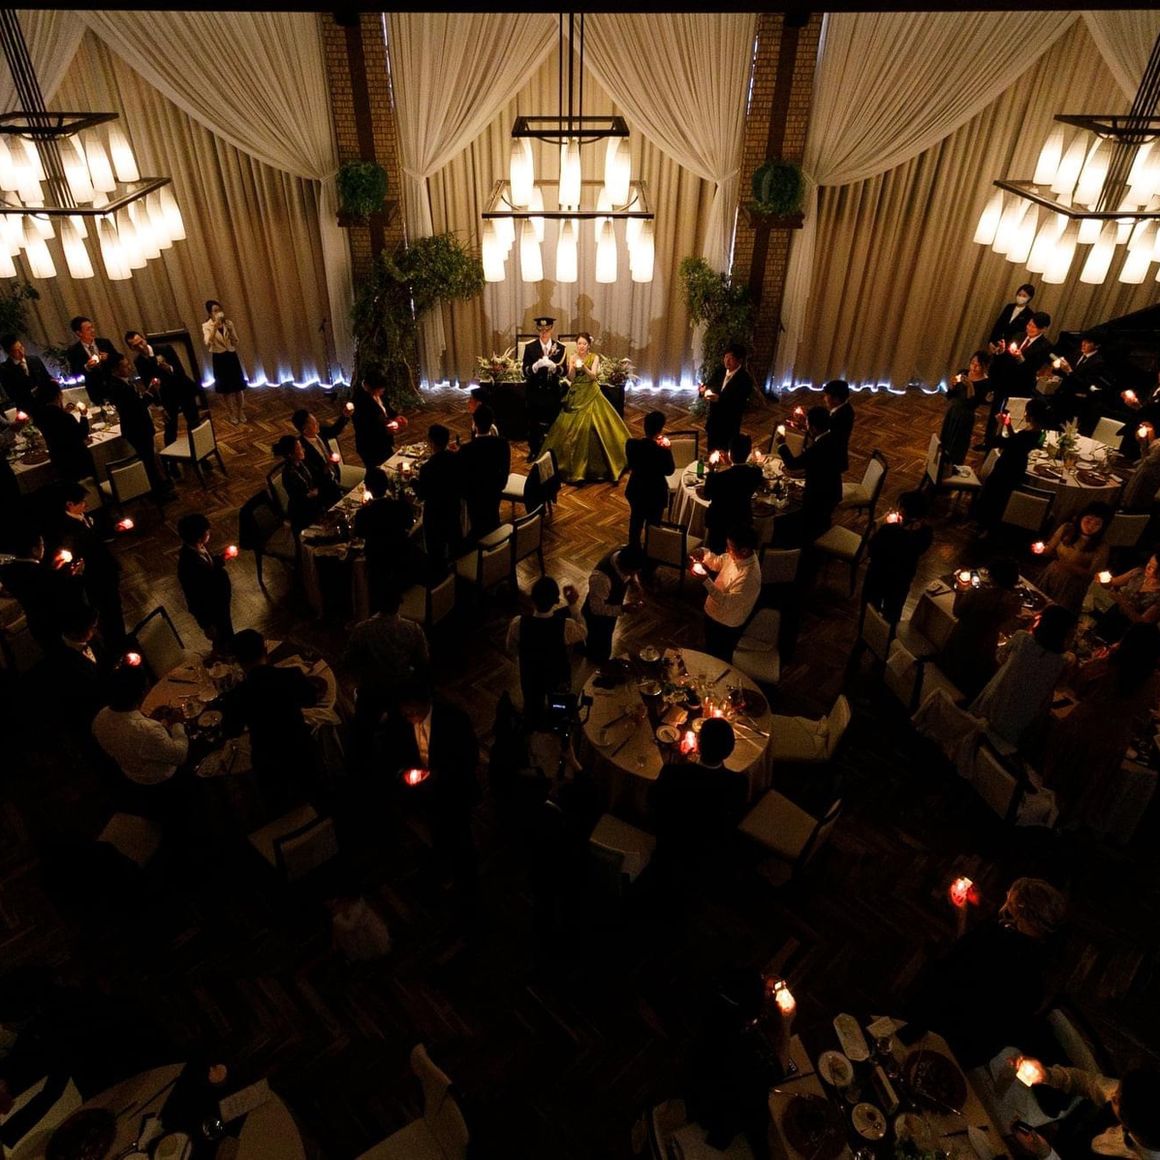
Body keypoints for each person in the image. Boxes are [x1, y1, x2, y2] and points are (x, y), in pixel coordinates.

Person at [905, 877, 1067, 1068]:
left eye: (1010, 897)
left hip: (936, 1030)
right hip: (970, 1055)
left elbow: (953, 969)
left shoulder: (992, 939)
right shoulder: (1041, 971)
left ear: (1020, 907)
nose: (1006, 897)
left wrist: (962, 914)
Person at [1043, 623, 1160, 829]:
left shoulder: (1103, 667)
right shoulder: (1152, 682)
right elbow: (1143, 713)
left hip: (1081, 728)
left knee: (1059, 779)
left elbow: (1076, 686)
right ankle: (1064, 826)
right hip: (1112, 742)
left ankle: (1041, 816)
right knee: (1086, 788)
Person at [376, 684, 481, 896]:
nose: (409, 716)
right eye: (405, 712)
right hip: (426, 795)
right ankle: (444, 867)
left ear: (425, 703)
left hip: (454, 791)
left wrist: (439, 775)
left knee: (460, 835)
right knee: (437, 832)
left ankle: (468, 881)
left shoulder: (454, 720)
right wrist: (404, 773)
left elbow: (469, 758)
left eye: (412, 711)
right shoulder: (401, 721)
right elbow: (392, 752)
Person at [221, 630, 322, 809]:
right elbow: (311, 699)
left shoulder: (237, 695)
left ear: (237, 661)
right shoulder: (291, 675)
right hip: (303, 751)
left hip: (268, 762)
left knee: (280, 807)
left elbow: (231, 731)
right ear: (265, 650)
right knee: (316, 794)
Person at [341, 585, 431, 772]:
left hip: (371, 690)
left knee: (362, 733)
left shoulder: (362, 630)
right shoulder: (412, 629)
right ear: (399, 604)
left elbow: (348, 662)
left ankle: (362, 766)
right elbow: (423, 662)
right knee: (401, 730)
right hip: (401, 691)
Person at [653, 717, 747, 887]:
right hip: (712, 848)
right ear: (730, 750)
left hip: (673, 845)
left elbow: (655, 805)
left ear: (699, 744)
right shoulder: (738, 783)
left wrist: (679, 764)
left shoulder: (672, 773)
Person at [969, 605, 1075, 751]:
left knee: (975, 728)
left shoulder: (1022, 639)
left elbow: (1000, 657)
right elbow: (1060, 686)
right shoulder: (1064, 661)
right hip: (1021, 715)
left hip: (995, 701)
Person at [1007, 1061, 1160, 1160]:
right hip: (1069, 1138)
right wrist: (1048, 1075)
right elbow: (1089, 1083)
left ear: (1129, 1124)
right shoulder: (1139, 1095)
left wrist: (1046, 1154)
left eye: (1116, 1099)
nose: (1113, 1094)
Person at [91, 661, 189, 816]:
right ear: (143, 691)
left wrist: (151, 719)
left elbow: (128, 739)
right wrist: (178, 724)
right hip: (162, 782)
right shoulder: (147, 730)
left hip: (132, 777)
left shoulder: (100, 718)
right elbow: (180, 755)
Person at [540, 332, 629, 483]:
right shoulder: (572, 357)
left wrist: (584, 367)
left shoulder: (594, 357)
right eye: (579, 343)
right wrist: (573, 367)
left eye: (584, 344)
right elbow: (571, 377)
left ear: (589, 345)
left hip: (591, 391)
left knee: (597, 424)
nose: (581, 346)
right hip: (576, 391)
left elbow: (593, 376)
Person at [937, 555, 1023, 699]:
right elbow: (1008, 624)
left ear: (991, 575)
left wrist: (960, 590)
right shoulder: (1013, 602)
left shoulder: (978, 593)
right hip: (987, 642)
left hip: (963, 637)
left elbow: (957, 612)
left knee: (952, 667)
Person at [52, 481, 125, 646]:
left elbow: (97, 536)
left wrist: (115, 529)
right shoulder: (66, 529)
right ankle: (116, 643)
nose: (86, 504)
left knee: (115, 607)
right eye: (82, 502)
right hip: (95, 577)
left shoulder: (83, 516)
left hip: (106, 568)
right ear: (69, 504)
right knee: (108, 611)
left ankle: (119, 638)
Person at [506, 575, 587, 721]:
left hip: (530, 675)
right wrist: (573, 605)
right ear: (556, 601)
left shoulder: (518, 623)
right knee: (558, 709)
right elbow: (583, 632)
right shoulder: (566, 626)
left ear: (532, 598)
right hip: (557, 676)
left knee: (532, 707)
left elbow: (511, 648)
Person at [973, 397, 1050, 534]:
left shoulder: (1029, 434)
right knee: (999, 496)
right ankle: (986, 526)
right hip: (1016, 465)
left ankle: (986, 527)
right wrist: (1008, 425)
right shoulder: (1036, 431)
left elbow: (1001, 442)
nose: (1025, 414)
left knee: (994, 496)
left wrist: (1000, 425)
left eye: (1026, 412)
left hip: (1008, 467)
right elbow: (1015, 441)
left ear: (1031, 416)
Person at [0, 527, 81, 650]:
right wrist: (71, 575)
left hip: (36, 624)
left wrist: (54, 570)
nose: (44, 548)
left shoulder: (12, 569)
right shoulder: (37, 573)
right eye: (42, 545)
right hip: (52, 622)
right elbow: (51, 588)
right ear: (34, 550)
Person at [103, 355, 173, 497]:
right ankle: (158, 493)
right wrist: (151, 391)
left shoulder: (124, 382)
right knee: (148, 461)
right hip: (136, 429)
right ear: (115, 370)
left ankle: (160, 486)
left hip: (141, 426)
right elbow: (137, 408)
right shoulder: (117, 386)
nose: (130, 368)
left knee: (150, 459)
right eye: (125, 366)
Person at [862, 490, 934, 623]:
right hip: (902, 579)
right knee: (892, 613)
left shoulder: (889, 530)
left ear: (904, 511)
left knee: (870, 608)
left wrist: (882, 525)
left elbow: (871, 549)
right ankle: (888, 634)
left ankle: (867, 632)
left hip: (878, 575)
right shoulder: (926, 533)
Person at [694, 526, 762, 661]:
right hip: (712, 612)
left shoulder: (749, 578)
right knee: (709, 650)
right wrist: (703, 553)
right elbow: (719, 562)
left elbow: (726, 602)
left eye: (730, 548)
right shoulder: (737, 556)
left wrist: (705, 580)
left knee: (720, 658)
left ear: (744, 550)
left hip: (725, 623)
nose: (727, 550)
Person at [776, 405, 843, 543]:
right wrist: (806, 429)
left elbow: (792, 464)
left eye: (808, 425)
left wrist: (782, 444)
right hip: (833, 491)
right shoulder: (834, 437)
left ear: (814, 428)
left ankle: (808, 541)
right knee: (822, 518)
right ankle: (820, 530)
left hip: (819, 496)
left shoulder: (818, 449)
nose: (806, 427)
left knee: (792, 518)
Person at [125, 330, 201, 451]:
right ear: (131, 348)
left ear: (144, 339)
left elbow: (180, 371)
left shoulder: (164, 348)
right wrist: (160, 407)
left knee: (194, 424)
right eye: (136, 346)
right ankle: (171, 457)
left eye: (141, 342)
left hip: (183, 389)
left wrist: (168, 368)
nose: (141, 347)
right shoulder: (138, 361)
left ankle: (201, 453)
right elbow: (148, 385)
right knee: (170, 429)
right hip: (167, 396)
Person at [353, 466, 418, 606]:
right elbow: (410, 523)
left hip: (377, 563)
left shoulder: (363, 514)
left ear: (367, 488)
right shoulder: (400, 506)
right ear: (387, 485)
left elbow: (358, 534)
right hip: (402, 558)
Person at [1037, 502, 1112, 613]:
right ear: (1081, 517)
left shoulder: (1101, 546)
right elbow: (1049, 550)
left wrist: (1066, 565)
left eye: (1097, 524)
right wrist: (1040, 549)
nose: (1090, 526)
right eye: (1088, 520)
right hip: (1052, 573)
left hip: (1072, 585)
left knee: (1054, 612)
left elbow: (1092, 576)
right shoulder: (1066, 529)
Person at [176, 513, 234, 650]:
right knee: (220, 638)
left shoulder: (199, 547)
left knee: (226, 631)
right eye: (207, 532)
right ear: (199, 536)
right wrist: (206, 624)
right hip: (210, 608)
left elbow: (210, 566)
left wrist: (223, 557)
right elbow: (194, 597)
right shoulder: (188, 565)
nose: (209, 534)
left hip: (220, 603)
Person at [456, 403, 510, 541]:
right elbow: (505, 470)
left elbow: (462, 477)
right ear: (491, 423)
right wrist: (499, 486)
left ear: (474, 424)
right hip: (495, 490)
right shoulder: (502, 444)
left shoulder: (466, 449)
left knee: (477, 524)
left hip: (474, 496)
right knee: (493, 516)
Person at [582, 544, 644, 663]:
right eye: (631, 572)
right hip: (596, 619)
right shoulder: (601, 579)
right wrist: (623, 609)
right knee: (597, 652)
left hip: (611, 612)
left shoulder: (623, 552)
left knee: (606, 644)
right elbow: (596, 608)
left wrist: (635, 582)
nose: (633, 574)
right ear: (621, 565)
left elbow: (633, 572)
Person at [624, 410, 675, 551]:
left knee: (635, 521)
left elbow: (631, 463)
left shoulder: (631, 444)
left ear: (644, 426)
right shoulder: (661, 451)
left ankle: (633, 548)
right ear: (660, 429)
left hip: (636, 489)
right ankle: (650, 551)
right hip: (655, 493)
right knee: (653, 525)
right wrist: (668, 450)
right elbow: (669, 470)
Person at [703, 434, 762, 554]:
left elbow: (707, 495)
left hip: (719, 522)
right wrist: (730, 464)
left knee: (717, 555)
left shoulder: (719, 478)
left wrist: (711, 471)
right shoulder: (756, 473)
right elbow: (739, 475)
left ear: (729, 453)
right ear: (749, 453)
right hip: (741, 520)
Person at [414, 423, 461, 570]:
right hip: (453, 508)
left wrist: (413, 482)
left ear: (431, 442)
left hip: (435, 515)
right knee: (454, 545)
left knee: (436, 552)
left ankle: (439, 576)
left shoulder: (427, 468)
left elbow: (422, 494)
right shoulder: (456, 459)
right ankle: (456, 570)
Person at [522, 315, 567, 459]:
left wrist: (555, 367)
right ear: (537, 330)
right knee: (533, 423)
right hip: (535, 391)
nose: (544, 333)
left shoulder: (560, 348)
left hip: (552, 392)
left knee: (553, 423)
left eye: (547, 330)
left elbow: (564, 371)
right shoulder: (530, 347)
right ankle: (534, 450)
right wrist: (534, 367)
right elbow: (524, 372)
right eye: (541, 330)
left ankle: (552, 450)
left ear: (552, 329)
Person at [33, 381, 95, 483]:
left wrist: (64, 411)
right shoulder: (64, 417)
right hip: (76, 458)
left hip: (58, 458)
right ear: (58, 395)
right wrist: (83, 415)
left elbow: (57, 429)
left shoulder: (40, 416)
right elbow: (82, 433)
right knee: (88, 487)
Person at [1093, 552, 1160, 644]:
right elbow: (1112, 583)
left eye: (1152, 567)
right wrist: (1101, 578)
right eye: (1149, 563)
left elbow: (1143, 623)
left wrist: (1121, 601)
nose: (1147, 567)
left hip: (1127, 630)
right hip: (1113, 616)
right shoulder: (1138, 573)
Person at [701, 342, 754, 454]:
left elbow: (739, 403)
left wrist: (719, 399)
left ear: (739, 360)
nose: (727, 361)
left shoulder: (745, 379)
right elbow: (709, 384)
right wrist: (703, 390)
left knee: (725, 453)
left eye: (731, 358)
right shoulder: (720, 371)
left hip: (729, 424)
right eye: (726, 357)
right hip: (713, 422)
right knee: (711, 452)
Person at [940, 352, 991, 469]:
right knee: (945, 439)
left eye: (978, 365)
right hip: (953, 411)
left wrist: (970, 386)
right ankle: (940, 464)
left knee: (957, 444)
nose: (974, 367)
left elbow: (971, 404)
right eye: (972, 363)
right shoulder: (963, 373)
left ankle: (952, 467)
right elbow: (950, 396)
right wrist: (952, 385)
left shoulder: (986, 382)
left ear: (985, 366)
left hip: (965, 416)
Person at [292, 406, 349, 506]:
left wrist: (344, 416)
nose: (318, 424)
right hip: (324, 489)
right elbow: (315, 475)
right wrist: (328, 464)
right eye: (314, 423)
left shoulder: (320, 432)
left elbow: (334, 431)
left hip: (335, 477)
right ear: (305, 430)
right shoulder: (302, 449)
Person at [1052, 332, 1107, 434]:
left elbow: (1086, 384)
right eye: (1083, 341)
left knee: (1065, 430)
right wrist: (1058, 367)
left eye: (1088, 342)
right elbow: (1064, 372)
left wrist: (1069, 371)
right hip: (1062, 395)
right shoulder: (1077, 353)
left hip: (1076, 402)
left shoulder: (1098, 362)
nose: (1083, 344)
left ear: (1097, 345)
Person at [202, 299, 247, 424]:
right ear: (210, 313)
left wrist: (231, 330)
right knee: (225, 390)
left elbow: (236, 341)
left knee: (238, 387)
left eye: (219, 310)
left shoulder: (228, 323)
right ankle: (231, 413)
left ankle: (240, 411)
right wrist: (215, 328)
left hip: (231, 356)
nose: (218, 312)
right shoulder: (206, 326)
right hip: (219, 358)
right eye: (215, 311)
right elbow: (207, 343)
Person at [352, 370, 404, 469]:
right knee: (376, 471)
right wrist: (385, 430)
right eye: (380, 389)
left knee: (388, 466)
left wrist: (396, 417)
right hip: (370, 445)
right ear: (370, 387)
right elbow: (363, 427)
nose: (382, 391)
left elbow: (386, 408)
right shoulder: (359, 400)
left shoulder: (377, 391)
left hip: (384, 442)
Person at [273, 434, 323, 534]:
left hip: (313, 504)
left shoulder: (302, 463)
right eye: (299, 448)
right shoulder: (289, 475)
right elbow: (298, 498)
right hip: (302, 513)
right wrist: (310, 494)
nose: (303, 450)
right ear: (290, 454)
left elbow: (316, 475)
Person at [65, 316, 119, 405]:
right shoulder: (74, 351)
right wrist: (87, 367)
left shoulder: (104, 343)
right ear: (79, 333)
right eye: (88, 329)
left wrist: (108, 357)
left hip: (113, 384)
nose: (92, 330)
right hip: (95, 389)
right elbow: (74, 372)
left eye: (92, 327)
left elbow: (118, 358)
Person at [0, 336, 55, 413]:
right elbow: (12, 394)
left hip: (47, 402)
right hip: (27, 409)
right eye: (16, 351)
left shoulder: (35, 360)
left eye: (21, 347)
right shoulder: (5, 369)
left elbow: (46, 377)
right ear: (9, 352)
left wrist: (53, 382)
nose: (21, 352)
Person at [1119, 424, 1160, 512]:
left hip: (1149, 476)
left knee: (1137, 499)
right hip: (1144, 472)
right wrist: (1143, 442)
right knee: (1131, 496)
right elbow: (1146, 457)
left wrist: (1145, 442)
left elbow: (1148, 460)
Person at [987, 283, 1037, 352]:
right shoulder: (1009, 307)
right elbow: (998, 324)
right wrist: (991, 341)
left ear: (1029, 298)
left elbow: (1022, 334)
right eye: (1019, 295)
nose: (1020, 297)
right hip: (997, 342)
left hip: (1010, 347)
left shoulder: (1029, 314)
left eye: (1024, 296)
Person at [821, 379, 855, 473]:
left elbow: (827, 436)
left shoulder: (842, 415)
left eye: (826, 396)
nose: (824, 399)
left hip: (832, 460)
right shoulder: (844, 409)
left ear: (836, 399)